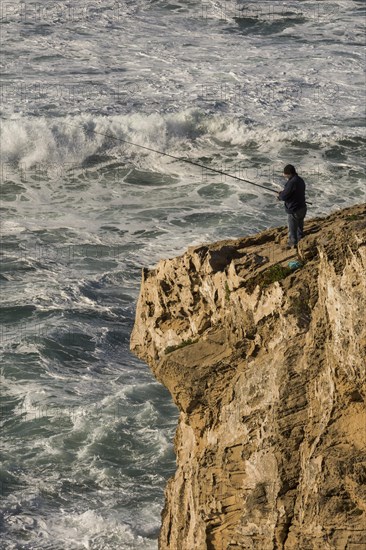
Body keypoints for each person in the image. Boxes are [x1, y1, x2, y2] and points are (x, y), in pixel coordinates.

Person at [278, 164, 307, 249]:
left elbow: (284, 196)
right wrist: (283, 193)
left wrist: (280, 196)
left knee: (292, 229)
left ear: (289, 173)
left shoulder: (291, 182)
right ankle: (300, 239)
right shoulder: (300, 180)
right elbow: (294, 192)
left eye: (285, 174)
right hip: (302, 207)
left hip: (294, 210)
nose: (284, 175)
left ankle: (292, 244)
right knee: (299, 225)